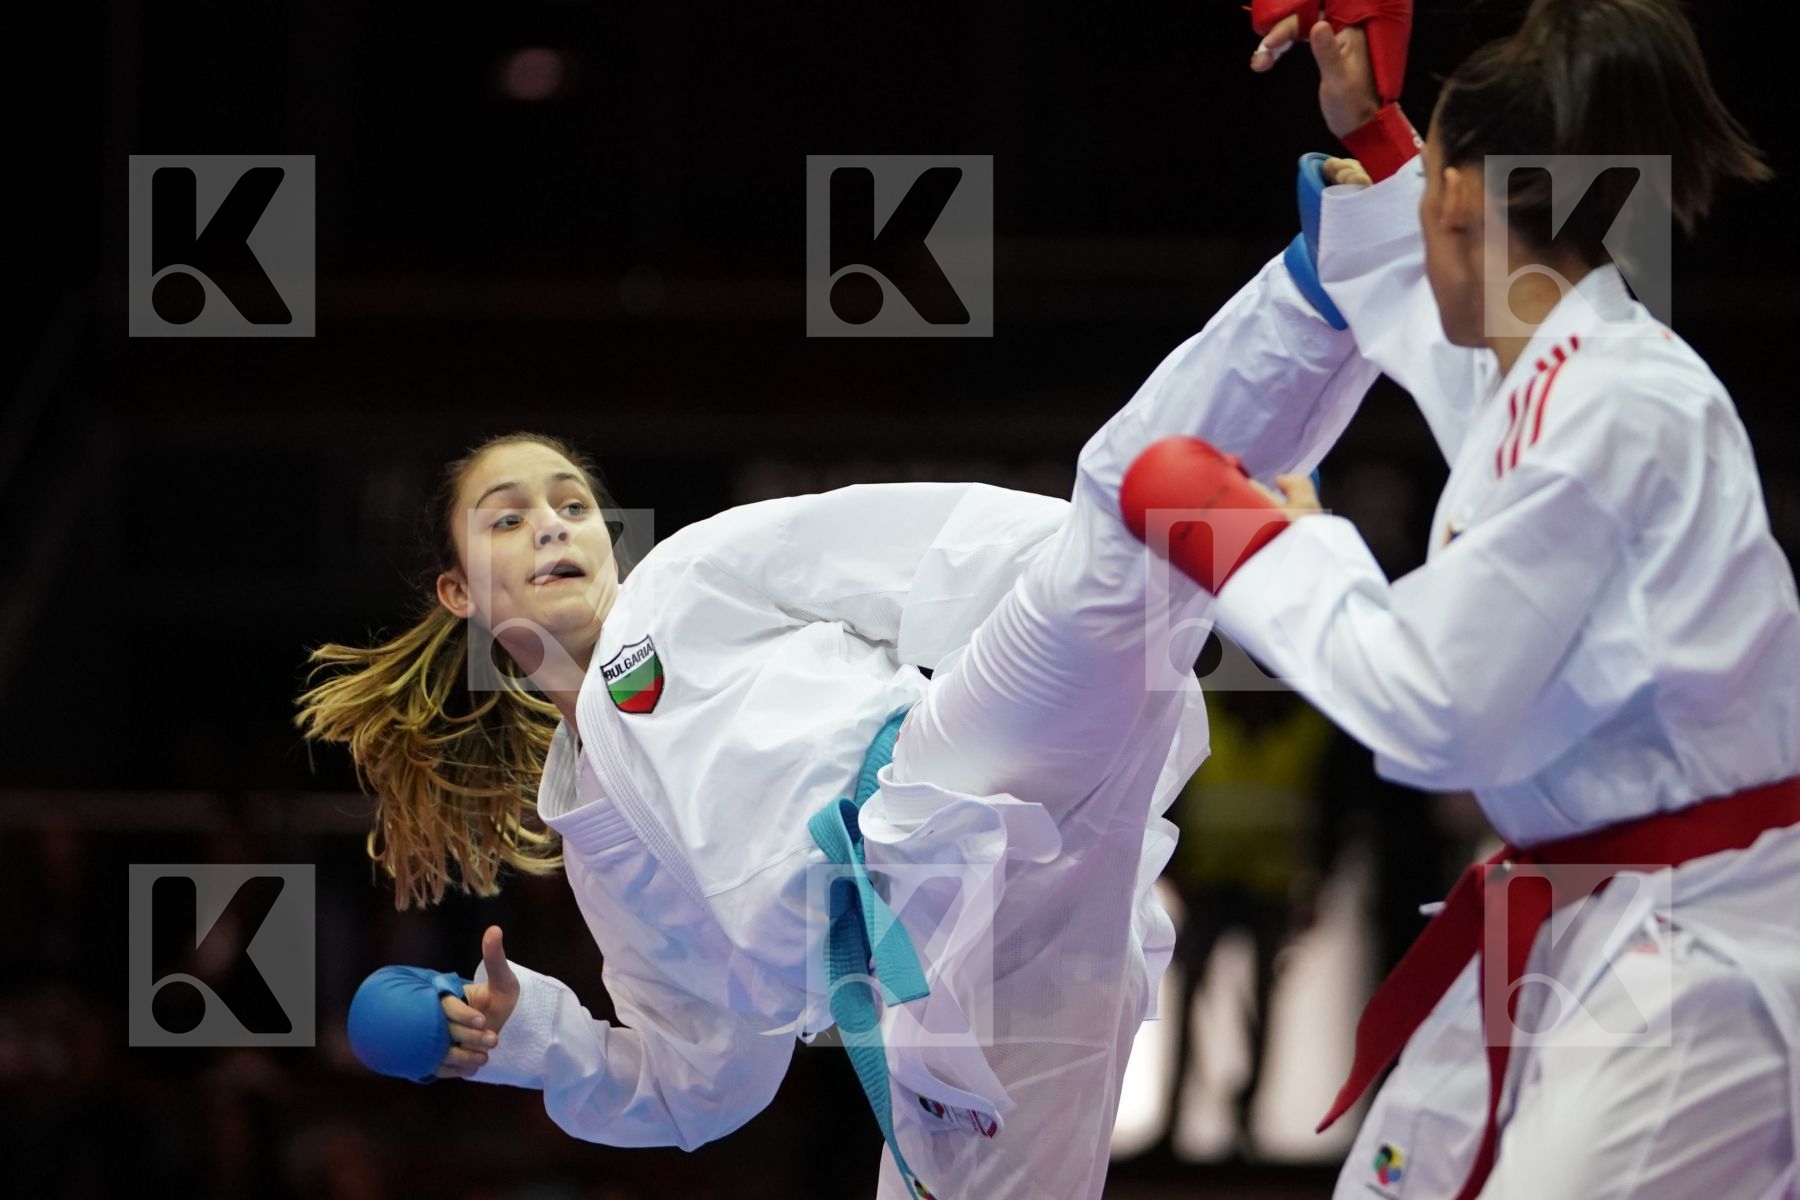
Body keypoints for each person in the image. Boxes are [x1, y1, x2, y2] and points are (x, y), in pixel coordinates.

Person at [295, 180, 1389, 1196]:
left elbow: (933, 551)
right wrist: (526, 1034)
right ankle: (1206, 542)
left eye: (572, 503)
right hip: (977, 997)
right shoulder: (598, 830)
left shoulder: (689, 580)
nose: (552, 526)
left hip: (953, 780)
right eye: (508, 517)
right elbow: (695, 1081)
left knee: (1117, 523)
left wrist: (1115, 605)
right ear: (456, 591)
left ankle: (1334, 268)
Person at [1119, 1, 1798, 1196]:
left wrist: (1251, 541)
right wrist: (1374, 131)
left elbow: (1436, 708)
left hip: (1694, 962)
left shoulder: (1617, 407)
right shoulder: (1562, 359)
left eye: (1430, 178)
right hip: (1584, 906)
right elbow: (1442, 328)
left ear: (1467, 205)